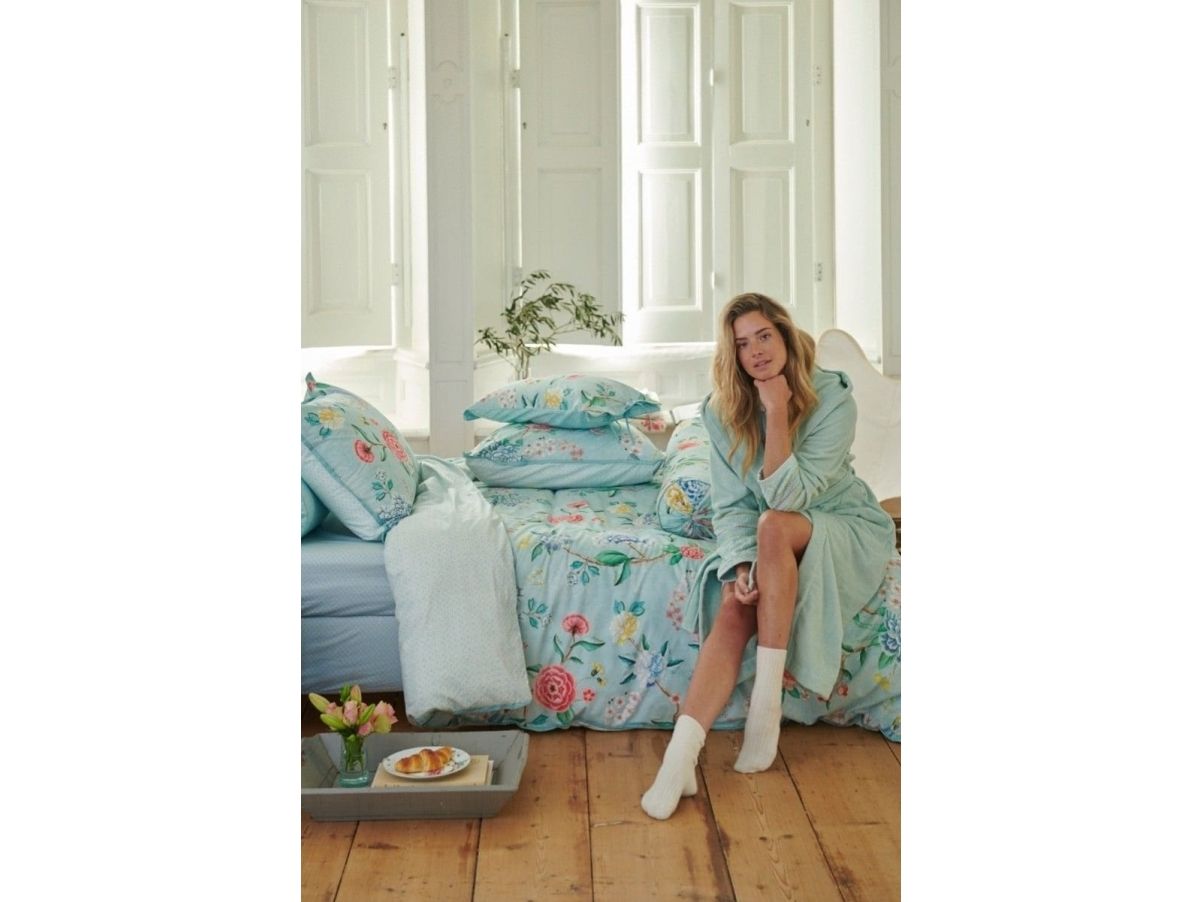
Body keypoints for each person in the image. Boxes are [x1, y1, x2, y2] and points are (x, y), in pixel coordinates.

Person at [640, 292, 896, 820]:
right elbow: (731, 504)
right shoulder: (720, 411)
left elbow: (788, 498)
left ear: (784, 335)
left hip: (841, 522)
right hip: (769, 534)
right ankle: (680, 758)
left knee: (773, 523)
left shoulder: (833, 396)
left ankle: (766, 708)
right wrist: (739, 566)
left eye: (764, 336)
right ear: (732, 354)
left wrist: (777, 411)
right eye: (742, 344)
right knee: (737, 601)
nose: (756, 351)